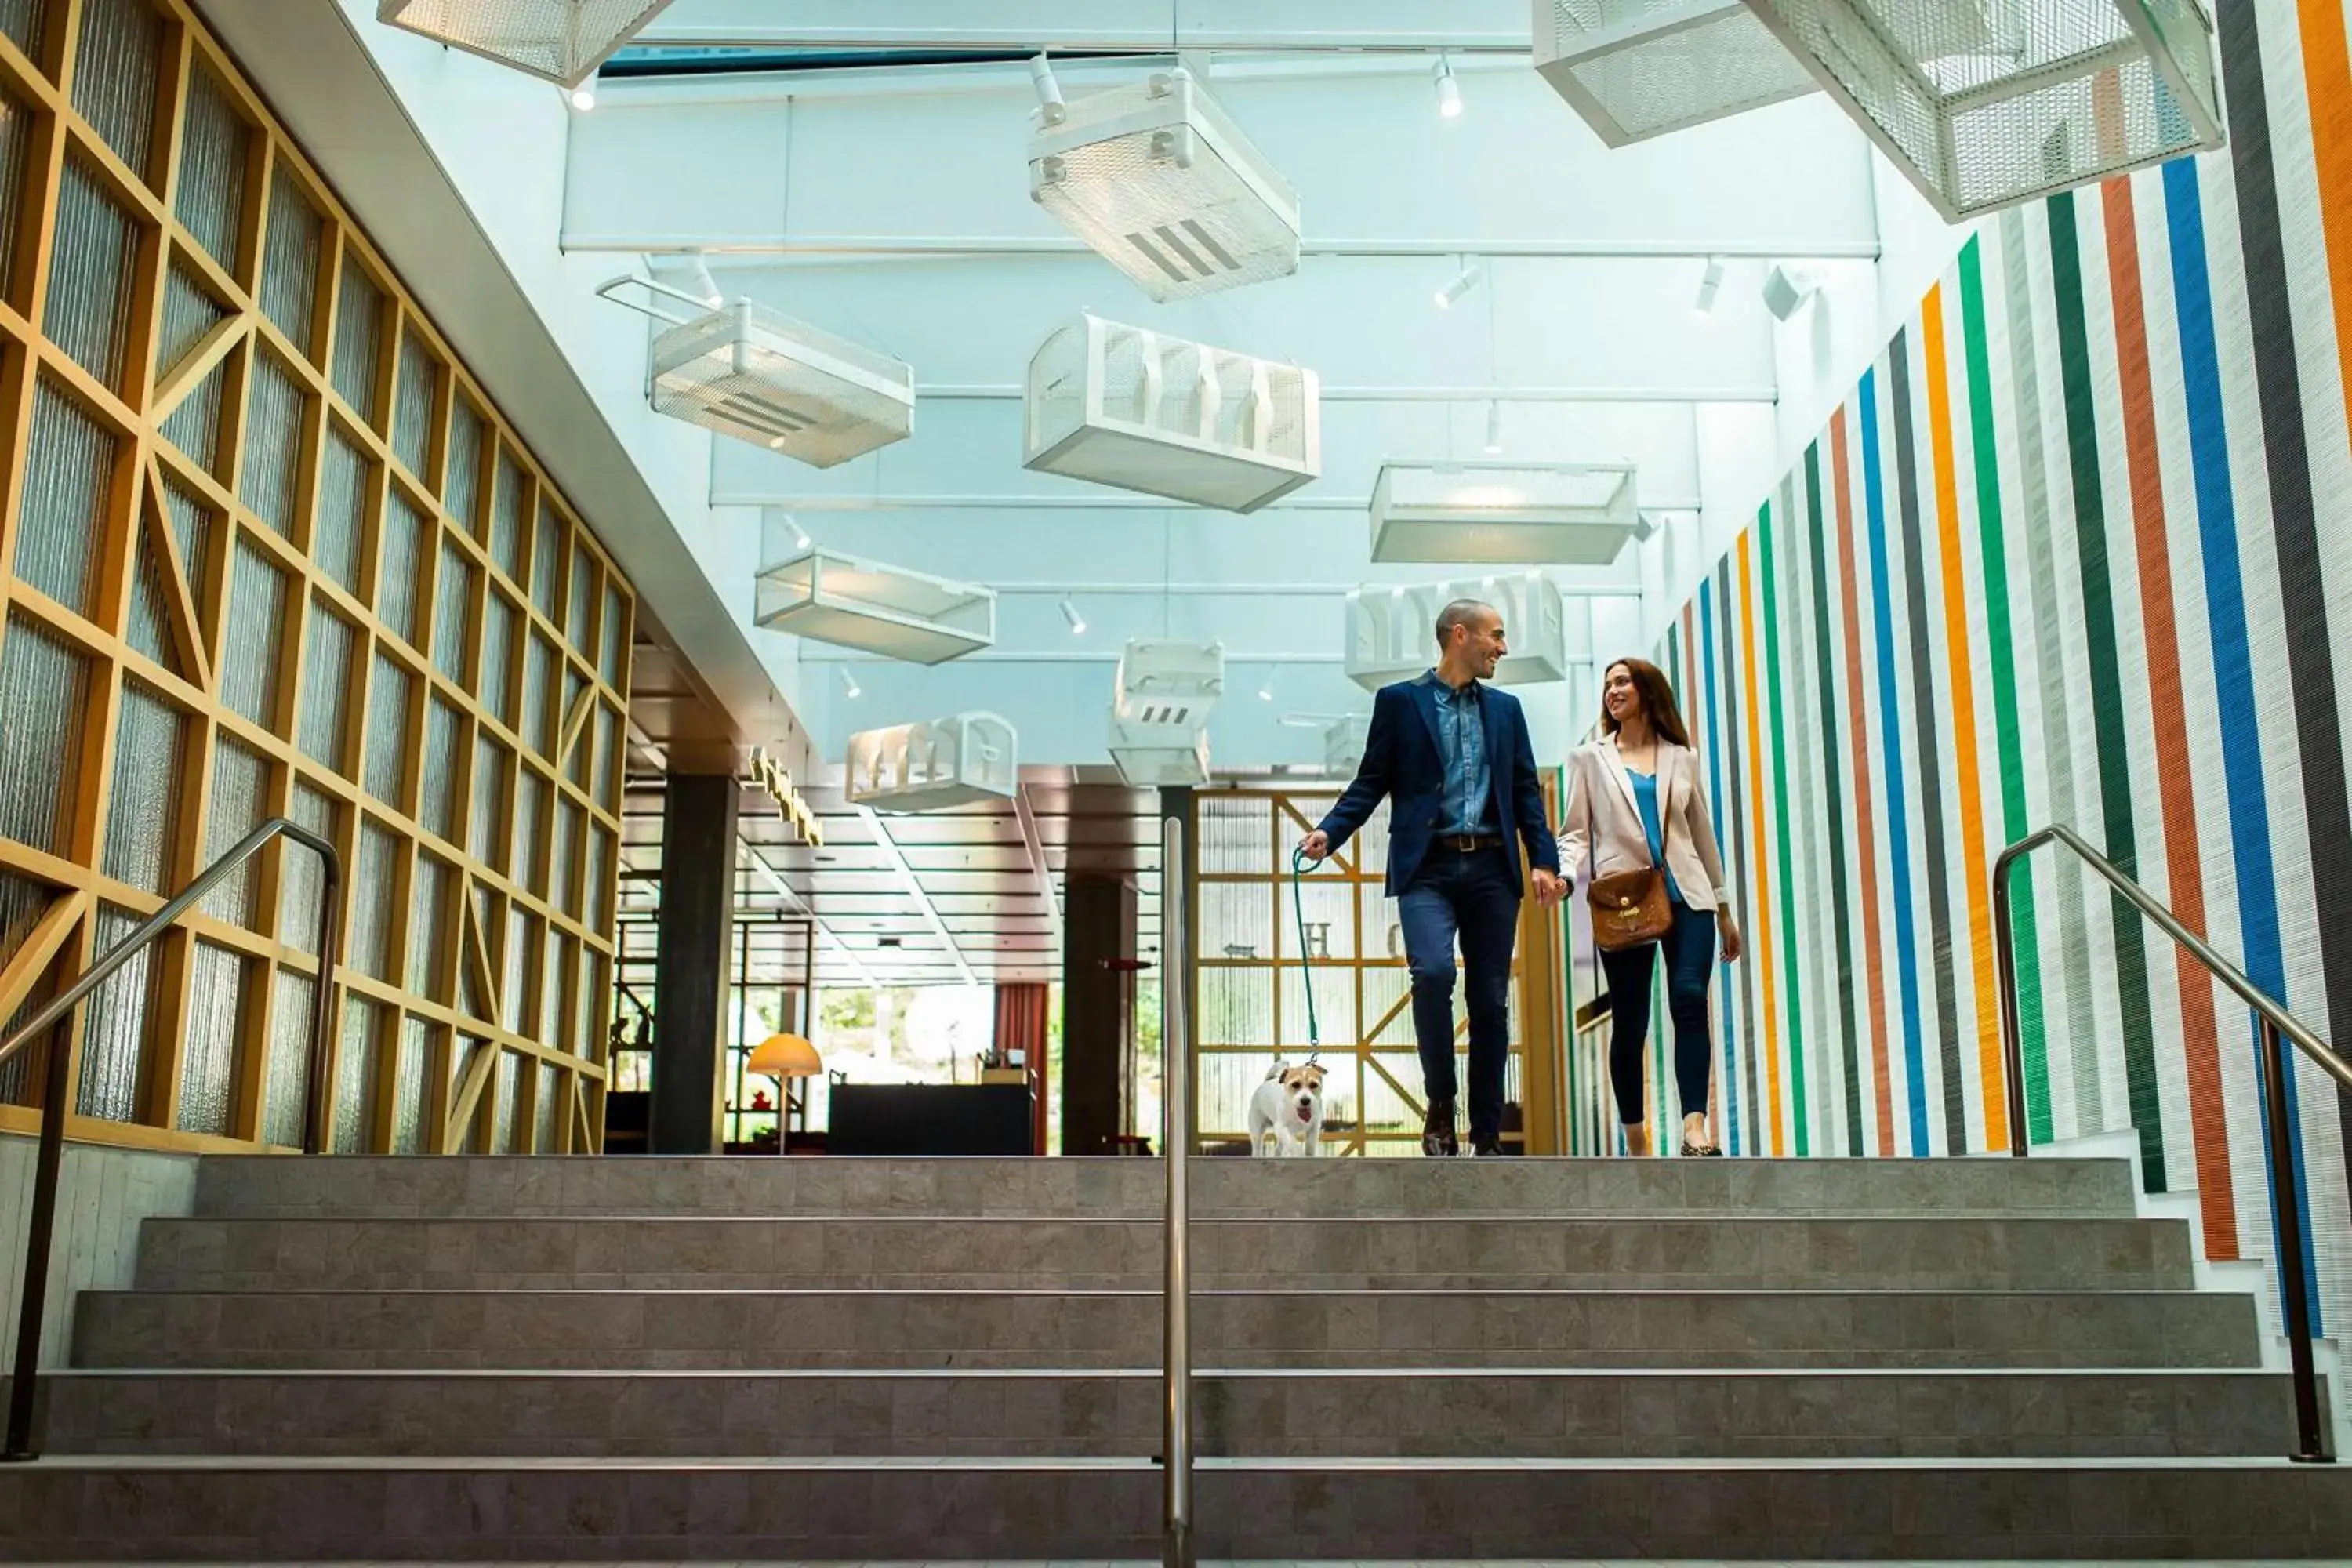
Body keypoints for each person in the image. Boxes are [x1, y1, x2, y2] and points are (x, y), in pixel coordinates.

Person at [1298, 600, 1564, 1156]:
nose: (1503, 647)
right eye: (1496, 635)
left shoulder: (1507, 711)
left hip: (1493, 868)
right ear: (1459, 636)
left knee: (1490, 1001)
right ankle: (1440, 1104)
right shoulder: (1399, 703)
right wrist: (1331, 832)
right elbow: (1371, 781)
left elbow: (1523, 793)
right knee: (1434, 974)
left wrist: (1544, 860)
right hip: (1427, 869)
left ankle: (1487, 1133)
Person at [1558, 657, 1743, 1156]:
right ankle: (1635, 1135)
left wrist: (1724, 909)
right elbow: (1574, 831)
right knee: (1632, 1019)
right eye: (1607, 685)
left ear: (1646, 690)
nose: (1612, 691)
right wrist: (1562, 875)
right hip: (1626, 898)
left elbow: (1702, 835)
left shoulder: (1683, 757)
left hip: (1690, 895)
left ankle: (1694, 1128)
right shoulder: (1587, 759)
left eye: (1622, 682)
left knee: (1688, 999)